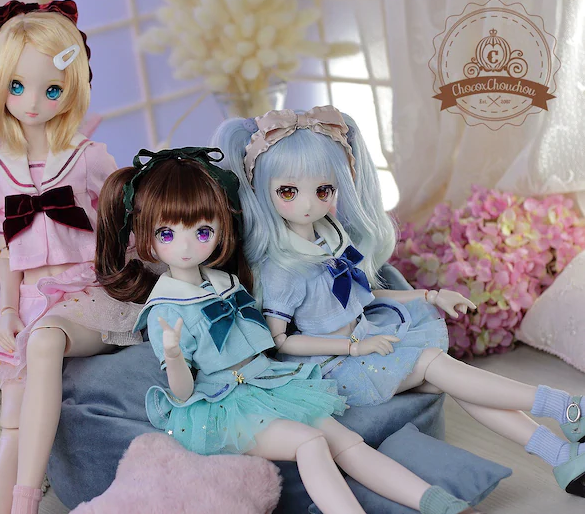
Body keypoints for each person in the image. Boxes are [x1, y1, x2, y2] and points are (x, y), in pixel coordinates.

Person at [213, 105, 585, 497]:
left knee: (460, 384)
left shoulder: (330, 236)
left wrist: (429, 295)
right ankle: (565, 406)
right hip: (334, 369)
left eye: (323, 190)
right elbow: (280, 341)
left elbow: (365, 294)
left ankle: (561, 456)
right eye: (288, 191)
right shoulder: (280, 269)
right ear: (263, 190)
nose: (309, 204)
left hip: (369, 338)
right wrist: (353, 347)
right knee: (435, 363)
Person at [94, 147, 481, 514]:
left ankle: (434, 501)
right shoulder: (165, 308)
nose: (185, 247)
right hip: (222, 404)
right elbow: (182, 392)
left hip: (271, 382)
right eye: (166, 234)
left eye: (202, 232)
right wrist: (174, 355)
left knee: (346, 442)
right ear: (146, 235)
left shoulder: (225, 282)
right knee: (311, 442)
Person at [0, 1, 140, 514]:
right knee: (12, 412)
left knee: (45, 341)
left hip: (88, 294)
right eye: (17, 86)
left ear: (71, 88)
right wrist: (7, 309)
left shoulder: (88, 158)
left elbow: (125, 226)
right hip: (31, 299)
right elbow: (7, 251)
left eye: (51, 89)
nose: (32, 102)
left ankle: (27, 500)